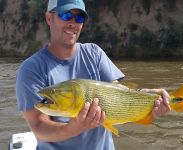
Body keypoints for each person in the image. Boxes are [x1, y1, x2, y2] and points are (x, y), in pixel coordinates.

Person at [16, 0, 171, 149]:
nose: (73, 23)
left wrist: (147, 96)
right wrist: (75, 127)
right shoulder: (31, 69)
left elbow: (117, 93)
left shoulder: (94, 53)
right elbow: (39, 127)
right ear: (49, 18)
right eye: (66, 16)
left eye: (79, 17)